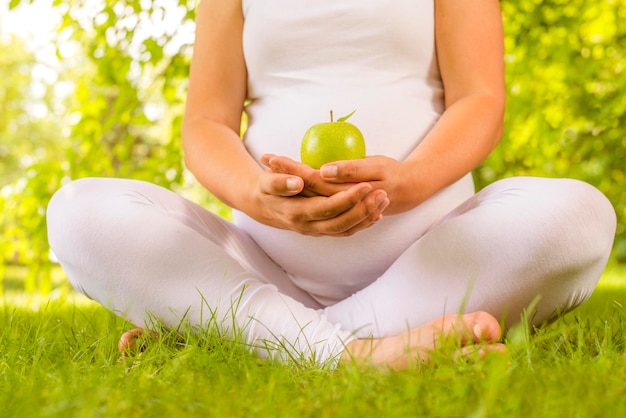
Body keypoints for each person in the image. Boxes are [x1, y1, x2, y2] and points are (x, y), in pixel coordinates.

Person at [46, 0, 616, 369]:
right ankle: (357, 354)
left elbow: (481, 98)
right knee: (79, 212)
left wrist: (411, 181)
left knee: (580, 214)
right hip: (261, 262)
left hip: (432, 257)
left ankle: (245, 334)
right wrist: (256, 195)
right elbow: (205, 124)